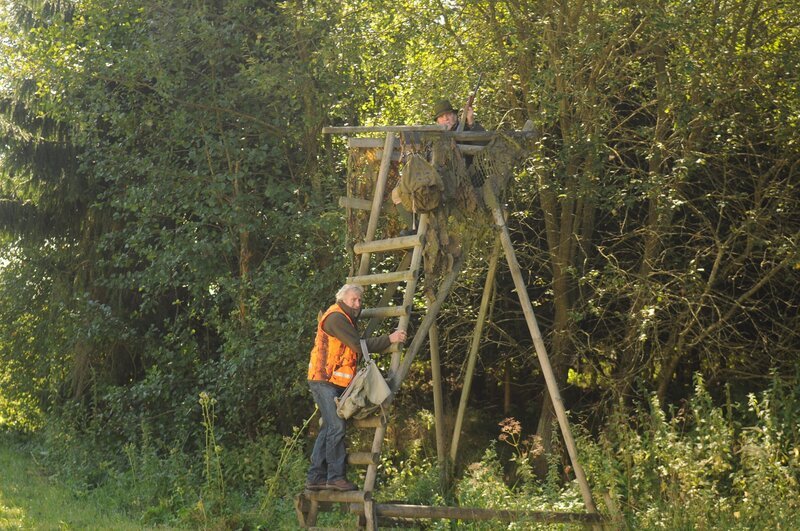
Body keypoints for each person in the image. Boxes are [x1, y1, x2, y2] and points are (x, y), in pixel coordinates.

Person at [305, 284, 407, 492]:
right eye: (354, 300)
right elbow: (358, 346)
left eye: (360, 300)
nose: (358, 304)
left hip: (332, 380)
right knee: (336, 427)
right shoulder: (336, 318)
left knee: (328, 428)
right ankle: (334, 477)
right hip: (323, 379)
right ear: (342, 299)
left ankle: (315, 477)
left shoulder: (346, 317)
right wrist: (390, 339)